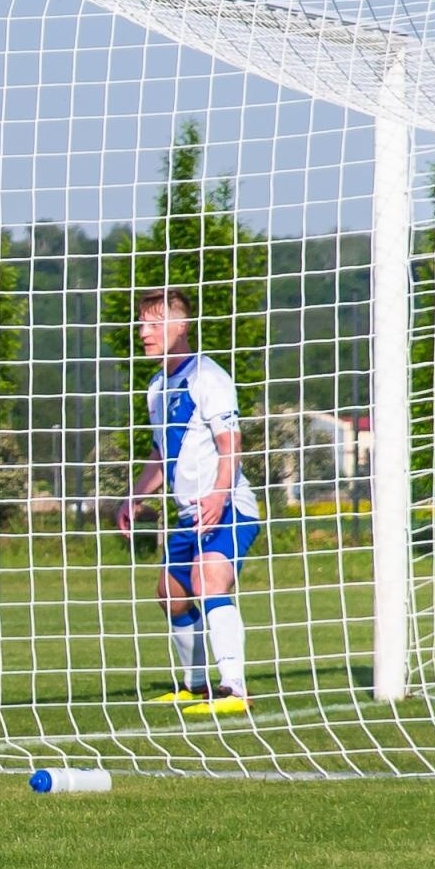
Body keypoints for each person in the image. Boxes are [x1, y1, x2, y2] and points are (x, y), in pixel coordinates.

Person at [116, 288, 261, 717]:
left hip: (229, 505)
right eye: (142, 323)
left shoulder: (208, 377)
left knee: (208, 579)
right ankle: (195, 686)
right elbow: (163, 453)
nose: (145, 333)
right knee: (170, 594)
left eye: (155, 323)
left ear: (181, 327)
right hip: (188, 512)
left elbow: (230, 442)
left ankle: (233, 688)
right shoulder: (158, 386)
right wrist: (136, 496)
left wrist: (219, 495)